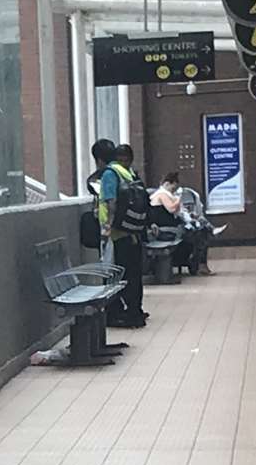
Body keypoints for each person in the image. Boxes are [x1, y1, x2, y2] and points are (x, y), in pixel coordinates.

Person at [90, 138, 146, 328]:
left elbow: (110, 202)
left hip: (117, 233)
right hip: (134, 231)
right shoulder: (127, 171)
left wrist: (107, 228)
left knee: (117, 276)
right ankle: (135, 312)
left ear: (98, 159)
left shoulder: (109, 174)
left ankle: (119, 315)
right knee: (133, 275)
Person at [153, 171, 213, 276]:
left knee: (201, 232)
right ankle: (198, 264)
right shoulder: (162, 194)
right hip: (168, 228)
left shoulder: (164, 194)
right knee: (200, 234)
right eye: (173, 188)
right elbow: (171, 209)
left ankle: (198, 263)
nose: (173, 191)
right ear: (167, 184)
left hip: (171, 226)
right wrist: (178, 199)